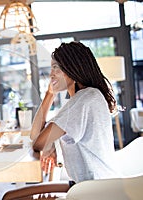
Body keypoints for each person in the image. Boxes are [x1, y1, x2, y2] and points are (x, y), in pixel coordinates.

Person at [31, 41, 119, 184]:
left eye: (56, 68)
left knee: (9, 196)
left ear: (72, 69)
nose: (51, 75)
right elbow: (35, 135)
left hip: (94, 189)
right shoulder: (86, 97)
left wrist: (48, 142)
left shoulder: (85, 100)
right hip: (93, 184)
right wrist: (49, 94)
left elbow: (37, 143)